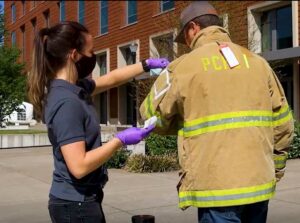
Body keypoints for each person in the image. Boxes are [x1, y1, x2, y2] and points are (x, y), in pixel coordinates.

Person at [139, 1, 294, 223]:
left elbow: (150, 117)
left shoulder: (181, 68)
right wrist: (275, 170)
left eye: (186, 37)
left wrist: (182, 120)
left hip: (216, 190)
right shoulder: (259, 64)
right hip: (259, 185)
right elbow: (283, 124)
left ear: (193, 27)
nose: (188, 44)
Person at [27, 21, 169, 223]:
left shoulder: (72, 88)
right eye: (90, 51)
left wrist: (146, 64)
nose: (93, 57)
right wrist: (119, 140)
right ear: (74, 55)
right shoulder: (67, 102)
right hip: (75, 206)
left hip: (80, 201)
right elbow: (79, 166)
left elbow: (111, 79)